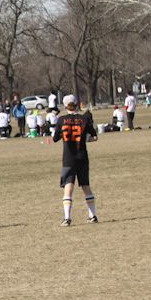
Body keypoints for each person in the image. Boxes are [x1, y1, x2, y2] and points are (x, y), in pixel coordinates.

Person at [52, 95, 98, 226]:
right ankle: (92, 215)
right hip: (82, 157)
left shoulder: (61, 120)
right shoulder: (84, 119)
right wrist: (83, 139)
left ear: (65, 105)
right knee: (86, 186)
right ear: (77, 104)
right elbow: (95, 137)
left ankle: (67, 218)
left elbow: (55, 138)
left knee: (68, 187)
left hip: (68, 158)